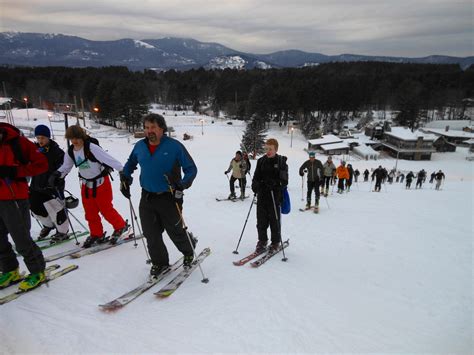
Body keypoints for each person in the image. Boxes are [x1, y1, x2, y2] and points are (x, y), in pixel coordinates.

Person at [120, 113, 198, 276]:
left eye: (153, 127)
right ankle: (160, 262)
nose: (150, 131)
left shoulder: (174, 146)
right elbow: (130, 163)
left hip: (169, 196)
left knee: (175, 231)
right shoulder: (140, 146)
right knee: (151, 234)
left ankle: (189, 250)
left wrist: (182, 185)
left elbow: (191, 169)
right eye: (147, 128)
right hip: (147, 196)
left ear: (162, 128)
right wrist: (125, 177)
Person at [49, 125, 128, 248]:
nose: (75, 141)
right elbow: (66, 166)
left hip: (101, 183)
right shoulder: (71, 151)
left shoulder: (91, 148)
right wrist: (57, 174)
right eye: (72, 139)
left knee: (105, 209)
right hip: (86, 185)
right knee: (90, 212)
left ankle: (120, 226)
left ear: (82, 136)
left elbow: (109, 160)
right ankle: (96, 233)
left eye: (77, 138)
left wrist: (122, 171)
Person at [0, 122, 49, 291]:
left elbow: (41, 164)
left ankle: (37, 271)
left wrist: (15, 172)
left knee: (20, 237)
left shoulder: (17, 142)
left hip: (14, 196)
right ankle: (10, 269)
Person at [29, 125, 69, 243]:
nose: (40, 141)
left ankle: (62, 231)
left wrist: (55, 177)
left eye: (43, 138)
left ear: (48, 137)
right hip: (36, 185)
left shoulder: (56, 151)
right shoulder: (34, 150)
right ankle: (48, 225)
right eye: (38, 138)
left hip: (52, 186)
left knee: (55, 209)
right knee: (35, 207)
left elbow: (64, 168)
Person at [252, 138, 288, 253]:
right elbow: (256, 176)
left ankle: (275, 242)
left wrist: (275, 183)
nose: (268, 151)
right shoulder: (261, 161)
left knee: (274, 221)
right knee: (261, 220)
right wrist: (255, 185)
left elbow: (284, 181)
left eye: (270, 149)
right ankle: (262, 241)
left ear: (276, 149)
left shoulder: (281, 161)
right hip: (262, 195)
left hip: (275, 196)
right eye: (266, 148)